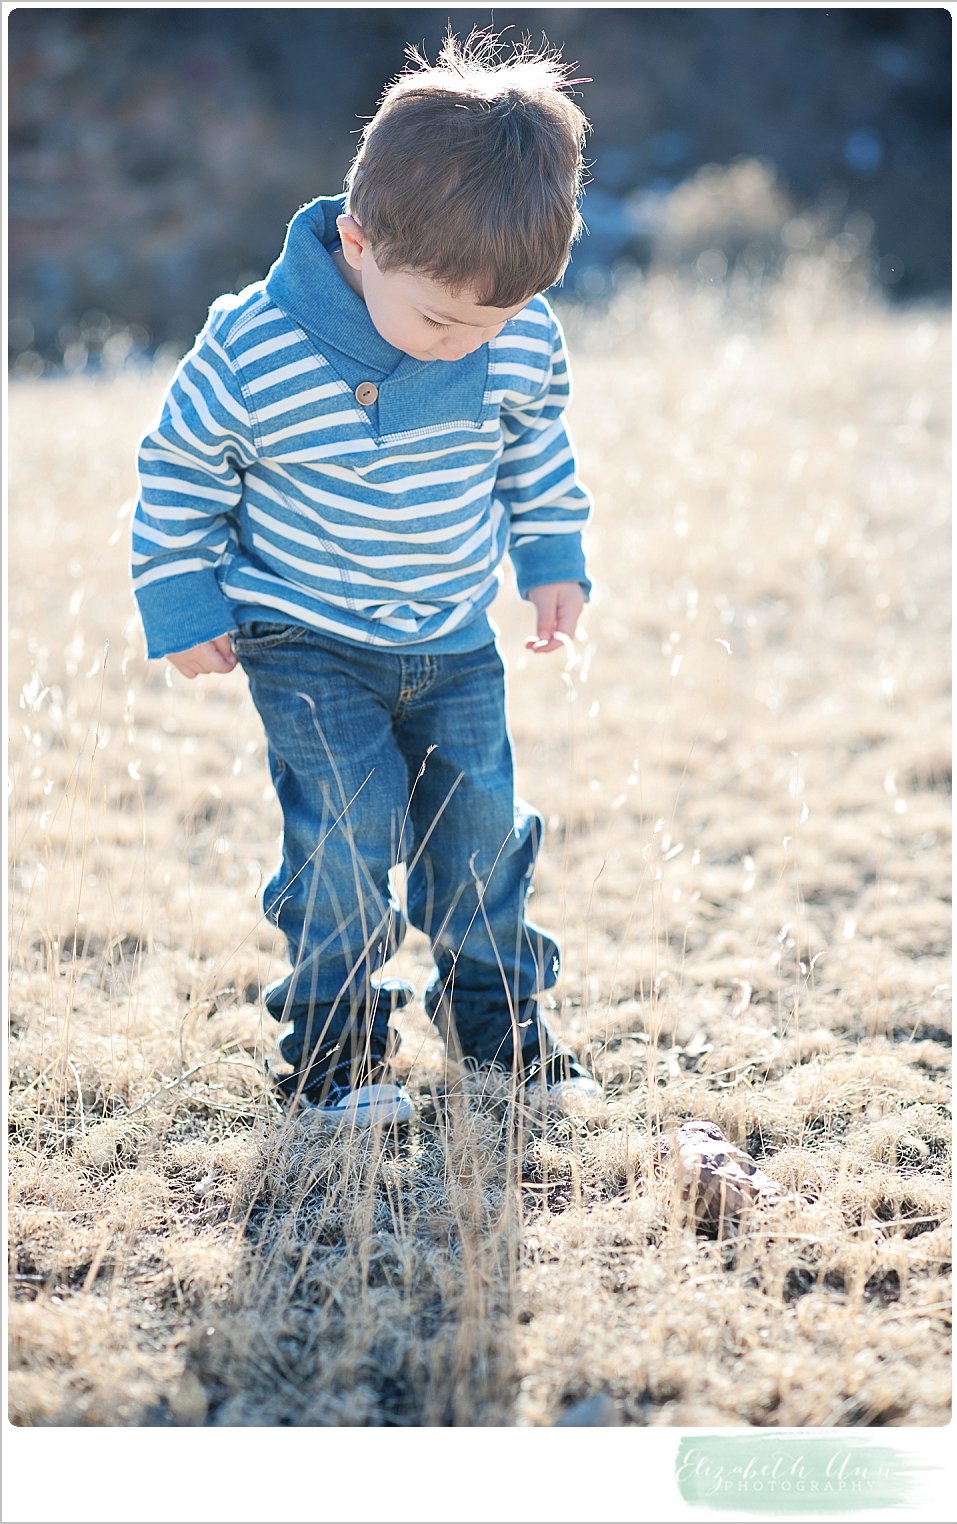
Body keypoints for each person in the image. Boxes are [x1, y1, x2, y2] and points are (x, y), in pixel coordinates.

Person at [131, 30, 601, 1125]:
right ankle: (333, 1057)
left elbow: (536, 446)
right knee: (346, 836)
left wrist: (552, 557)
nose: (464, 344)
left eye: (490, 323)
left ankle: (500, 1030)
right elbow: (180, 466)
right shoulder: (256, 345)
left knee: (481, 838)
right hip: (306, 637)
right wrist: (182, 597)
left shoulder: (516, 333)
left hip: (454, 640)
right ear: (358, 238)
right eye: (439, 319)